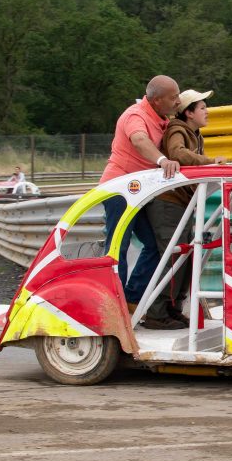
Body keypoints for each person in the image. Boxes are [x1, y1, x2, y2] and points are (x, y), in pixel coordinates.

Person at [144, 89, 232, 329]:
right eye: (202, 107)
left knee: (186, 255)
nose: (207, 111)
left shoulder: (195, 133)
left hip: (182, 203)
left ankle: (172, 310)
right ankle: (157, 314)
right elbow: (177, 154)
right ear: (189, 112)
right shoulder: (177, 129)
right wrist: (212, 161)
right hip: (168, 203)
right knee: (173, 256)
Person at [100, 75, 182, 312]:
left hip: (139, 191)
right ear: (157, 100)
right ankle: (113, 306)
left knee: (157, 245)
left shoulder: (162, 119)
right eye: (173, 97)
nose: (177, 101)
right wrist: (162, 160)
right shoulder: (135, 115)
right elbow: (139, 140)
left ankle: (131, 298)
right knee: (118, 247)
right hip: (120, 191)